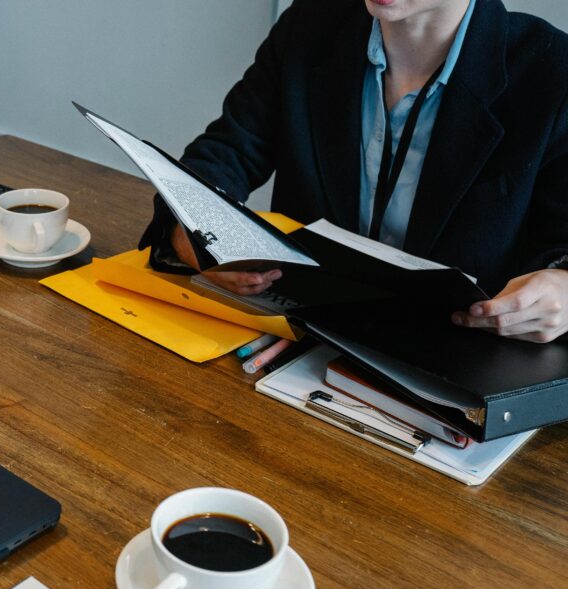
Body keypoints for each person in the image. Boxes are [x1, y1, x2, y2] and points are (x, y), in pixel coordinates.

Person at [140, 0, 568, 343]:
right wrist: (189, 231)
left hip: (457, 359)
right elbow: (225, 154)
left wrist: (563, 287)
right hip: (302, 334)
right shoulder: (309, 24)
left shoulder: (552, 70)